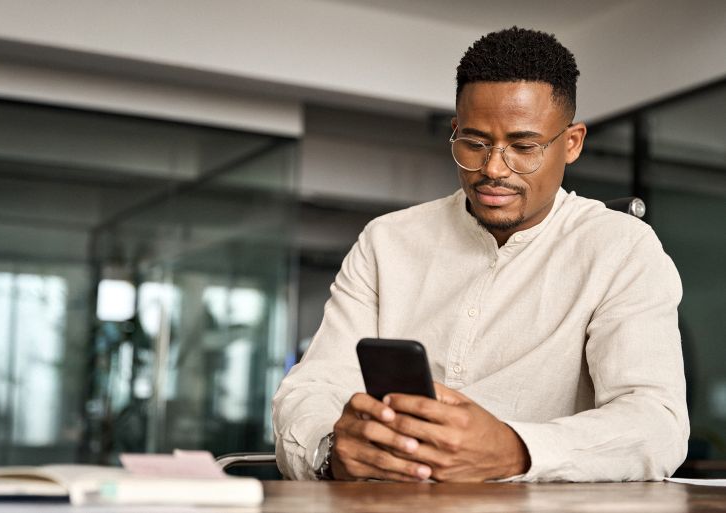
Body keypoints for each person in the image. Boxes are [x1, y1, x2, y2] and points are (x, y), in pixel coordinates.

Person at [272, 27, 688, 482]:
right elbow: (310, 389)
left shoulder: (622, 249)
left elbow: (656, 422)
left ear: (571, 143)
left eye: (524, 147)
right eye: (474, 143)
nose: (492, 169)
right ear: (455, 131)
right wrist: (330, 452)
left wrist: (515, 450)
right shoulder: (386, 241)